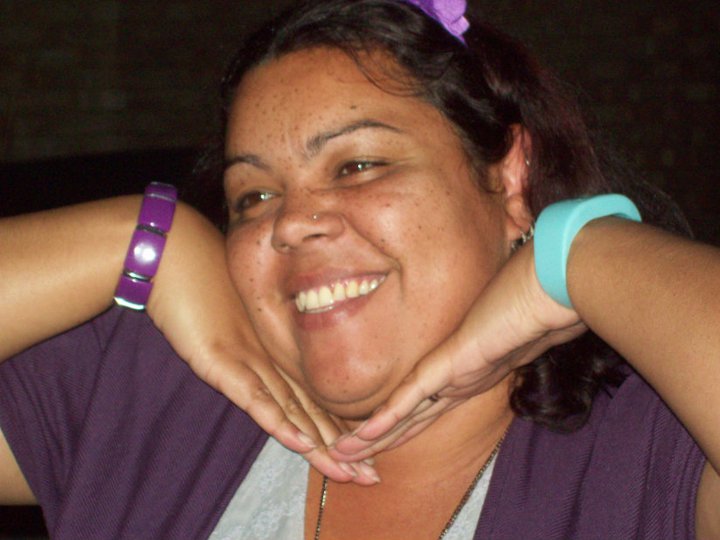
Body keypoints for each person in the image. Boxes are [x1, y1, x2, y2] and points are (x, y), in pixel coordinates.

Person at [1, 0, 719, 538]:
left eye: (358, 165)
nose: (289, 222)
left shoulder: (649, 453)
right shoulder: (151, 399)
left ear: (508, 179)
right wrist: (143, 237)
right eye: (253, 196)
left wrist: (578, 250)